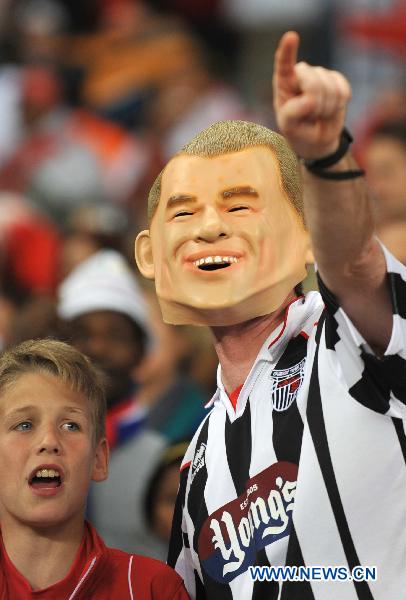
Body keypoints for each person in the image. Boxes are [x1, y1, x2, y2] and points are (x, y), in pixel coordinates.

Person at [134, 31, 406, 599]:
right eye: (184, 213)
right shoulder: (197, 464)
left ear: (308, 238)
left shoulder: (343, 342)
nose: (210, 227)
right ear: (149, 255)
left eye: (239, 205)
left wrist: (325, 155)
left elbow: (356, 264)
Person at [0, 338, 189, 599]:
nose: (49, 441)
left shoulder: (152, 588)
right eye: (24, 425)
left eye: (70, 426)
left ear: (99, 459)